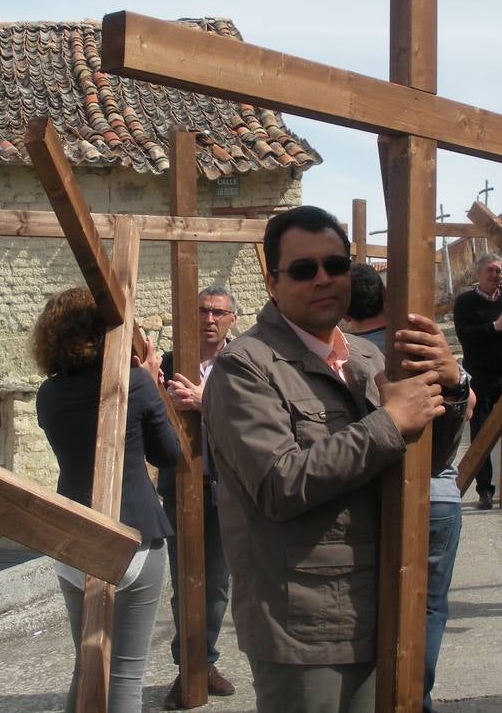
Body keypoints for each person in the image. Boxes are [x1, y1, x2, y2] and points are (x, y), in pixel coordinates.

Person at [202, 205, 470, 713]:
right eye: (304, 269)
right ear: (273, 283)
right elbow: (278, 484)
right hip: (305, 621)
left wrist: (451, 391)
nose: (324, 279)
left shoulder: (370, 359)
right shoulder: (245, 368)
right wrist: (389, 421)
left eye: (337, 264)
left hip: (382, 600)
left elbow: (425, 463)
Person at [34, 287, 183, 713]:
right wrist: (151, 383)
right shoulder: (135, 384)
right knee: (125, 676)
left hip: (72, 533)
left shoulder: (49, 395)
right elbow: (169, 455)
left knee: (85, 667)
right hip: (135, 533)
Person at [343, 262, 472, 712]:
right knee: (429, 607)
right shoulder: (414, 346)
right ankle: (415, 697)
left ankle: (389, 697)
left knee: (377, 607)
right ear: (383, 299)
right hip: (438, 495)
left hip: (380, 495)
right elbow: (468, 404)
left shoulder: (344, 353)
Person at [158, 286, 238, 709]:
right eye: (202, 311)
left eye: (218, 313)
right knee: (184, 580)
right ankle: (189, 666)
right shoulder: (169, 363)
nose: (209, 319)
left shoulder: (244, 362)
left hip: (228, 486)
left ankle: (204, 661)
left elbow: (252, 419)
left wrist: (205, 402)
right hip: (180, 486)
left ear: (231, 321)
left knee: (218, 582)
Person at [453, 253, 502, 509]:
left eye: (499, 270)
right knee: (482, 434)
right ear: (478, 274)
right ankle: (485, 490)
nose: (495, 275)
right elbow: (465, 336)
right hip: (481, 378)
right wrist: (495, 326)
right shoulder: (466, 302)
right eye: (490, 270)